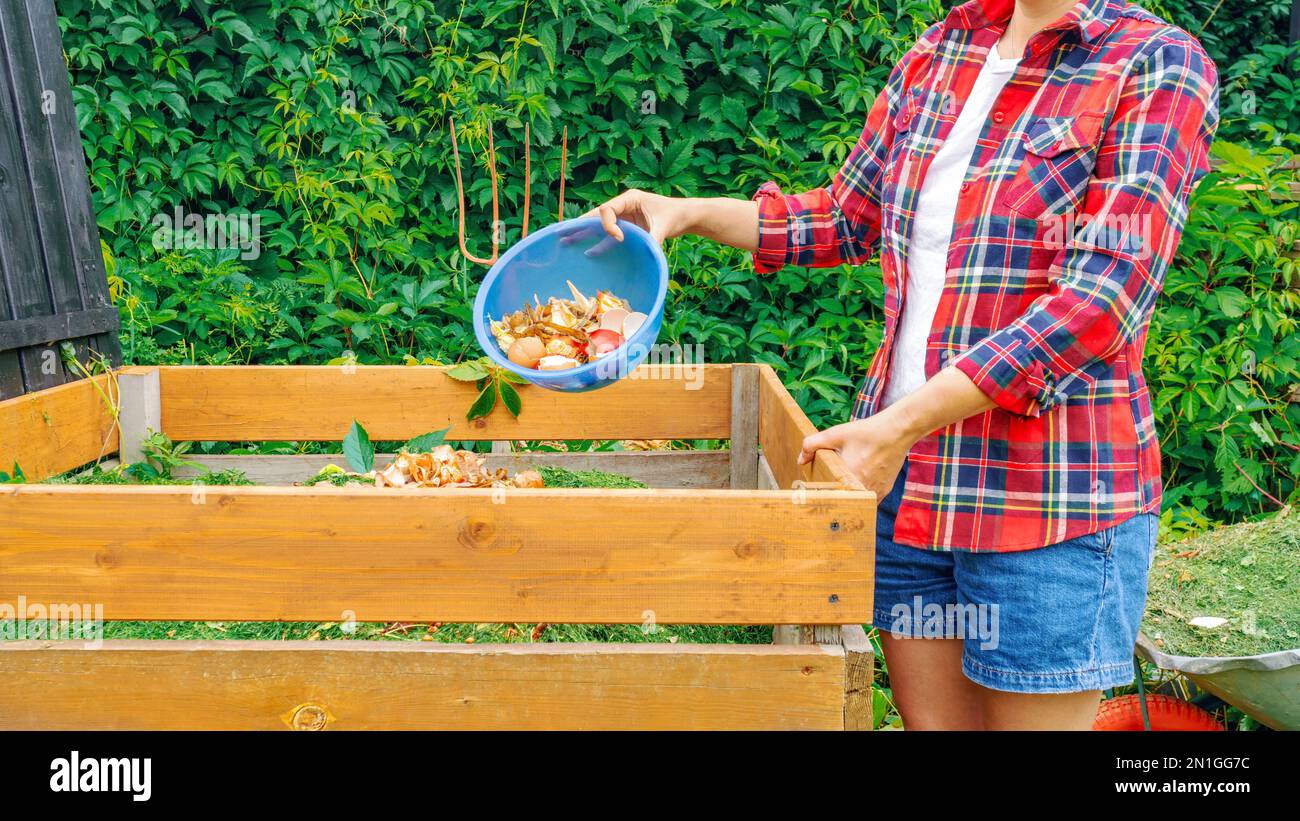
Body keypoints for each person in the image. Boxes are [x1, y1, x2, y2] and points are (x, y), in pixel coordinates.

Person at [587, 0, 1220, 729]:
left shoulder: (1154, 61)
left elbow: (1100, 302)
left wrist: (898, 424)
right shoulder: (944, 47)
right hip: (913, 486)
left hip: (1049, 498)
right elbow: (843, 218)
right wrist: (682, 211)